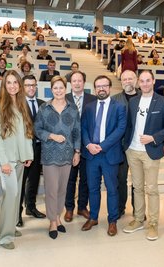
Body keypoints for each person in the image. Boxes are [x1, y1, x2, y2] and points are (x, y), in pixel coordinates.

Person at [123, 70, 164, 240]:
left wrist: (153, 138)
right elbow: (129, 125)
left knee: (151, 189)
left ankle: (153, 223)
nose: (145, 84)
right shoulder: (133, 101)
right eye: (142, 81)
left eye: (148, 80)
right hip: (133, 150)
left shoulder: (163, 102)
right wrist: (126, 145)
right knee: (137, 187)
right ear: (138, 83)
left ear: (153, 81)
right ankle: (138, 219)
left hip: (150, 152)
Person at [0, 70, 34, 249]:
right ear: (4, 85)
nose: (12, 86)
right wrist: (4, 161)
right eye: (9, 82)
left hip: (20, 159)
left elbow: (26, 134)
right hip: (7, 160)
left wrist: (28, 155)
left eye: (15, 82)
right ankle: (5, 237)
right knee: (11, 196)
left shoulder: (22, 104)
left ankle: (11, 226)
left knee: (16, 196)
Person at [34, 76, 81, 239]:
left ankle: (58, 217)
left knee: (62, 189)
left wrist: (77, 151)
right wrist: (52, 136)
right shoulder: (44, 108)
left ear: (66, 89)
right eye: (56, 88)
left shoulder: (73, 108)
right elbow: (37, 130)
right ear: (51, 89)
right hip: (49, 155)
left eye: (61, 88)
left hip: (67, 155)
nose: (59, 91)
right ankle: (52, 221)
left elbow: (77, 132)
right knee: (51, 190)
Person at [81, 75, 127, 237]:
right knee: (93, 188)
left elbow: (120, 130)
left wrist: (102, 146)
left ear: (110, 87)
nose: (101, 89)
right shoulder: (89, 107)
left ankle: (112, 220)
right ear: (94, 89)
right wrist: (88, 145)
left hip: (110, 155)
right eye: (98, 86)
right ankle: (93, 217)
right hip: (91, 155)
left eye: (104, 86)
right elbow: (84, 128)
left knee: (112, 189)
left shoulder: (119, 107)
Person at [64, 71, 97, 223]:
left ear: (84, 82)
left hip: (87, 146)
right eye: (74, 81)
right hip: (68, 147)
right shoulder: (63, 99)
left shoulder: (93, 99)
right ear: (70, 83)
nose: (77, 83)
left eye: (79, 81)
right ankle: (69, 208)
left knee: (85, 179)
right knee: (70, 180)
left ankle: (82, 207)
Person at [17, 75, 46, 227]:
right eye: (28, 85)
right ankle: (17, 213)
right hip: (22, 150)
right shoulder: (17, 104)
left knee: (34, 180)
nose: (31, 88)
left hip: (39, 148)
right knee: (21, 182)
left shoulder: (43, 104)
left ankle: (31, 207)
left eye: (33, 85)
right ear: (22, 87)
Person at [111, 70, 140, 218]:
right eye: (124, 79)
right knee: (120, 179)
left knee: (138, 181)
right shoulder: (114, 100)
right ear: (121, 82)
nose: (127, 81)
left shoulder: (145, 97)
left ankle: (138, 210)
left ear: (136, 80)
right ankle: (120, 207)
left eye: (130, 78)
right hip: (120, 147)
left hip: (139, 147)